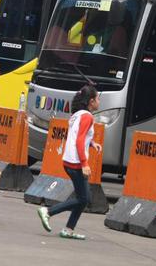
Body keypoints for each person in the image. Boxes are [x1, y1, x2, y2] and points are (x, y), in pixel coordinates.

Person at [36, 85, 102, 240]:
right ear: (91, 101)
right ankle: (48, 212)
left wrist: (92, 143)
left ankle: (69, 229)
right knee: (83, 199)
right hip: (76, 162)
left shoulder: (77, 115)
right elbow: (79, 140)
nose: (99, 101)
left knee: (82, 198)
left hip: (69, 159)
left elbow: (79, 136)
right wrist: (85, 163)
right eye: (98, 98)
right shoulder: (87, 116)